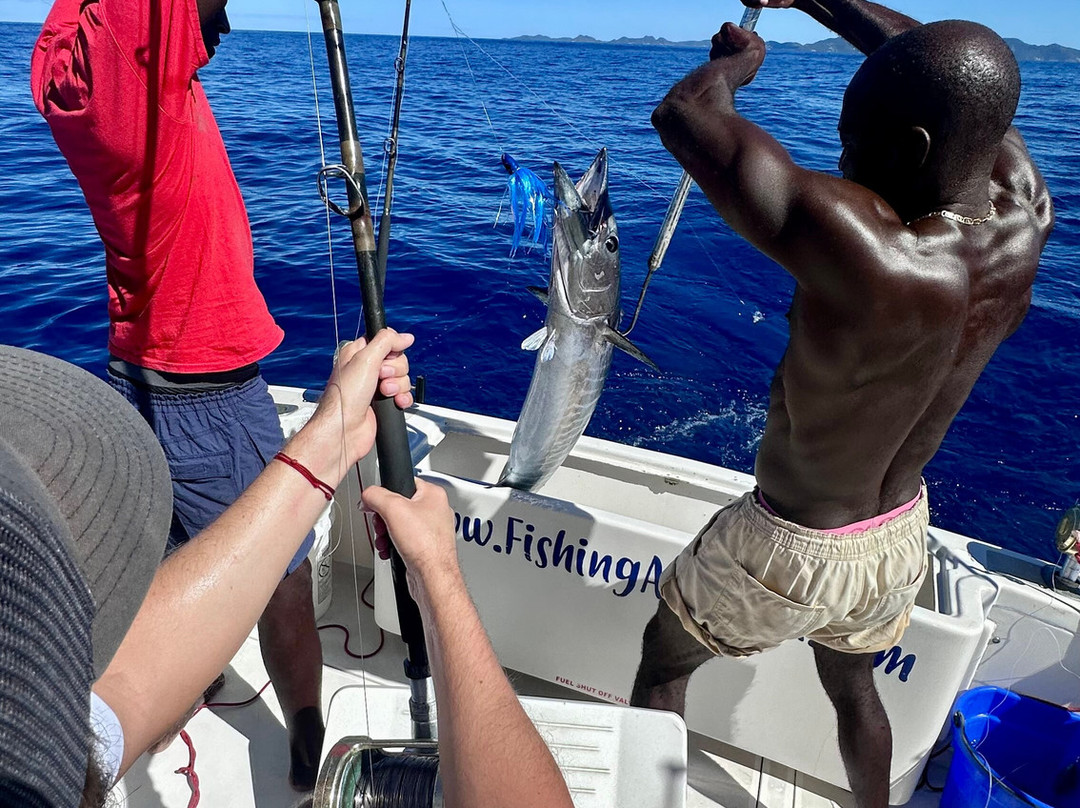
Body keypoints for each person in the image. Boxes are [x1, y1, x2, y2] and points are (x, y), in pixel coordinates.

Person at [630, 2, 1053, 806]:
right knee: (854, 690)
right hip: (896, 534)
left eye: (853, 141)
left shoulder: (865, 246)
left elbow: (684, 114)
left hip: (787, 543)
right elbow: (939, 72)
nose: (844, 156)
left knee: (662, 660)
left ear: (913, 147)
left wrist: (735, 67)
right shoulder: (1025, 216)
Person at [30, 0, 327, 787]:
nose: (218, 24)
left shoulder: (76, 80)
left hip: (134, 377)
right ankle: (305, 736)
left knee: (154, 567)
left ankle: (161, 697)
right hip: (212, 390)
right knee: (282, 569)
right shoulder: (143, 88)